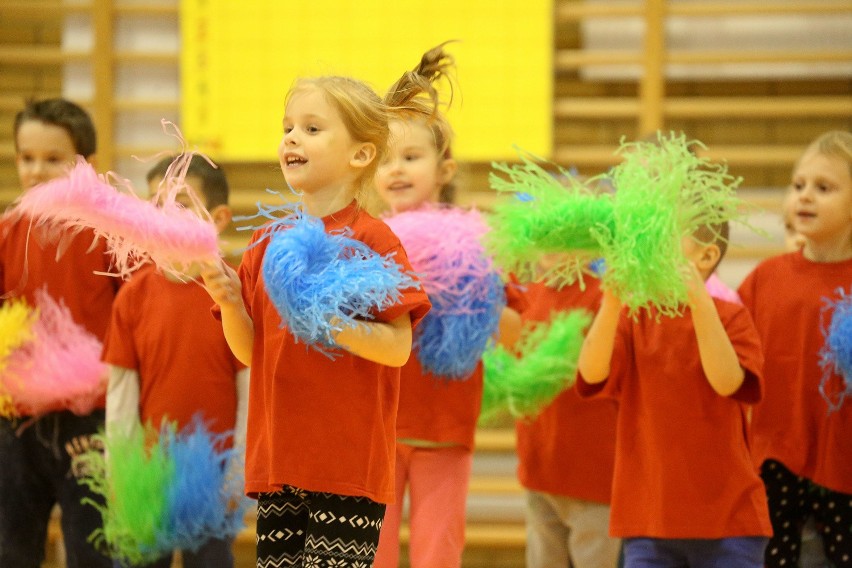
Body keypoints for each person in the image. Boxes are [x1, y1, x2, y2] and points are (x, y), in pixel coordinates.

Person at [201, 54, 437, 567]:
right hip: (279, 464)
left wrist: (327, 321)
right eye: (287, 127)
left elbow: (398, 349)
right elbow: (250, 353)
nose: (291, 139)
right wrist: (228, 300)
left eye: (311, 128)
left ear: (361, 154)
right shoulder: (266, 243)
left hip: (346, 469)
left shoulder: (373, 240)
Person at [370, 46, 525, 568]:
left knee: (439, 553)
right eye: (384, 158)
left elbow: (517, 332)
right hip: (376, 430)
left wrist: (479, 292)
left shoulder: (476, 243)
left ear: (444, 168)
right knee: (374, 556)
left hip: (444, 430)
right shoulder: (364, 241)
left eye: (410, 157)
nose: (396, 169)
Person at [576, 220, 772, 567]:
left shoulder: (732, 317)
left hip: (729, 522)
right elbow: (591, 373)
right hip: (650, 525)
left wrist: (698, 300)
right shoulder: (633, 320)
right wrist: (610, 302)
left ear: (706, 256)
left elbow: (727, 382)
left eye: (663, 234)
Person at [102, 154, 248, 568]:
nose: (164, 218)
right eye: (155, 205)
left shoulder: (232, 293)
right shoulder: (133, 296)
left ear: (218, 218)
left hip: (216, 480)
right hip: (149, 480)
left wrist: (238, 473)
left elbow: (250, 391)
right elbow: (121, 396)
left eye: (180, 206)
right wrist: (120, 473)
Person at [0, 98, 117, 567]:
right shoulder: (8, 230)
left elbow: (134, 315)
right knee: (11, 547)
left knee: (94, 550)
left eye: (53, 160)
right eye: (26, 158)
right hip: (15, 416)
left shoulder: (108, 231)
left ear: (83, 165)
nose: (36, 171)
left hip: (91, 418)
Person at [738, 130, 852, 568]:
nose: (805, 197)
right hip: (774, 461)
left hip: (842, 463)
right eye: (799, 185)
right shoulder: (767, 277)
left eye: (824, 188)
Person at [514, 267, 621, 568]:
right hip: (539, 467)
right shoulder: (530, 291)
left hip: (594, 473)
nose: (553, 246)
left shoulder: (603, 296)